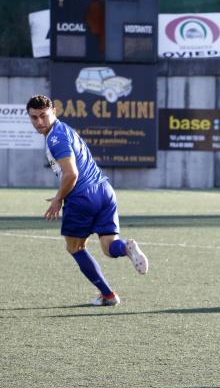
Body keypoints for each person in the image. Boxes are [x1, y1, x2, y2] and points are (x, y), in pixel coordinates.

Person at [27, 94, 149, 306]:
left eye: (43, 116)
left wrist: (58, 199)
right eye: (34, 117)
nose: (39, 122)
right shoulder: (65, 129)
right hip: (104, 191)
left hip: (82, 197)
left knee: (75, 248)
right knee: (109, 247)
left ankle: (108, 296)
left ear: (54, 112)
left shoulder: (56, 138)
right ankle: (126, 248)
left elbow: (71, 174)